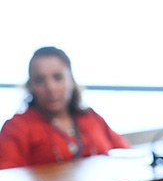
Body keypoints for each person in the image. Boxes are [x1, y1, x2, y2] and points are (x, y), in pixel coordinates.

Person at [0, 46, 129, 169]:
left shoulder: (91, 118)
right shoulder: (17, 128)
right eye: (39, 80)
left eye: (58, 77)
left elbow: (127, 156)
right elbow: (8, 180)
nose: (50, 88)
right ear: (31, 86)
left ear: (71, 80)